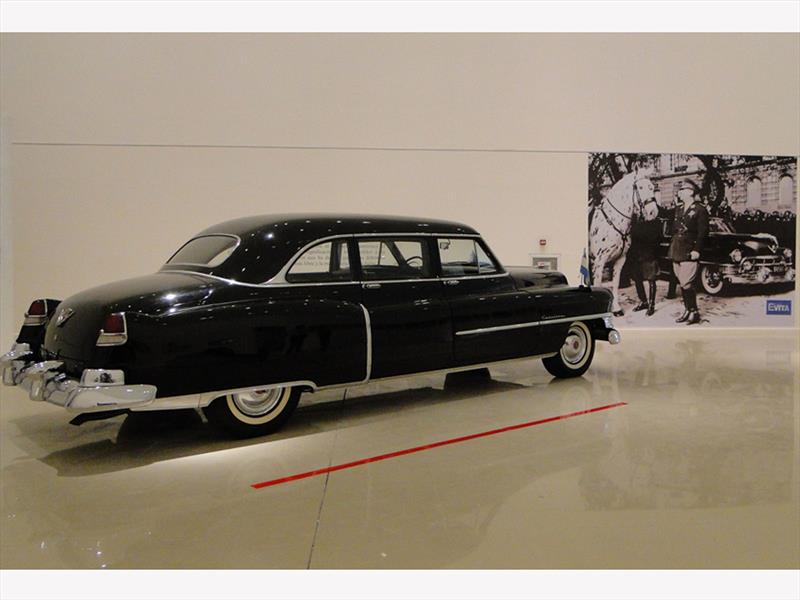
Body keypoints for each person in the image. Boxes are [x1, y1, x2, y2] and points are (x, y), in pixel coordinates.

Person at [668, 180, 709, 325]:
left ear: (690, 192)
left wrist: (697, 250)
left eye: (682, 190)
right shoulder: (679, 208)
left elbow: (703, 233)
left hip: (690, 250)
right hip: (677, 250)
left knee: (686, 282)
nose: (679, 192)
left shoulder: (700, 209)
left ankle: (694, 312)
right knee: (682, 282)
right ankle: (687, 310)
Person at [628, 212, 662, 316]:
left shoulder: (655, 222)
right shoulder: (635, 220)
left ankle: (651, 305)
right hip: (636, 255)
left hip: (649, 254)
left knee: (651, 279)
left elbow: (657, 239)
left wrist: (652, 253)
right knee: (637, 279)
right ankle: (643, 302)